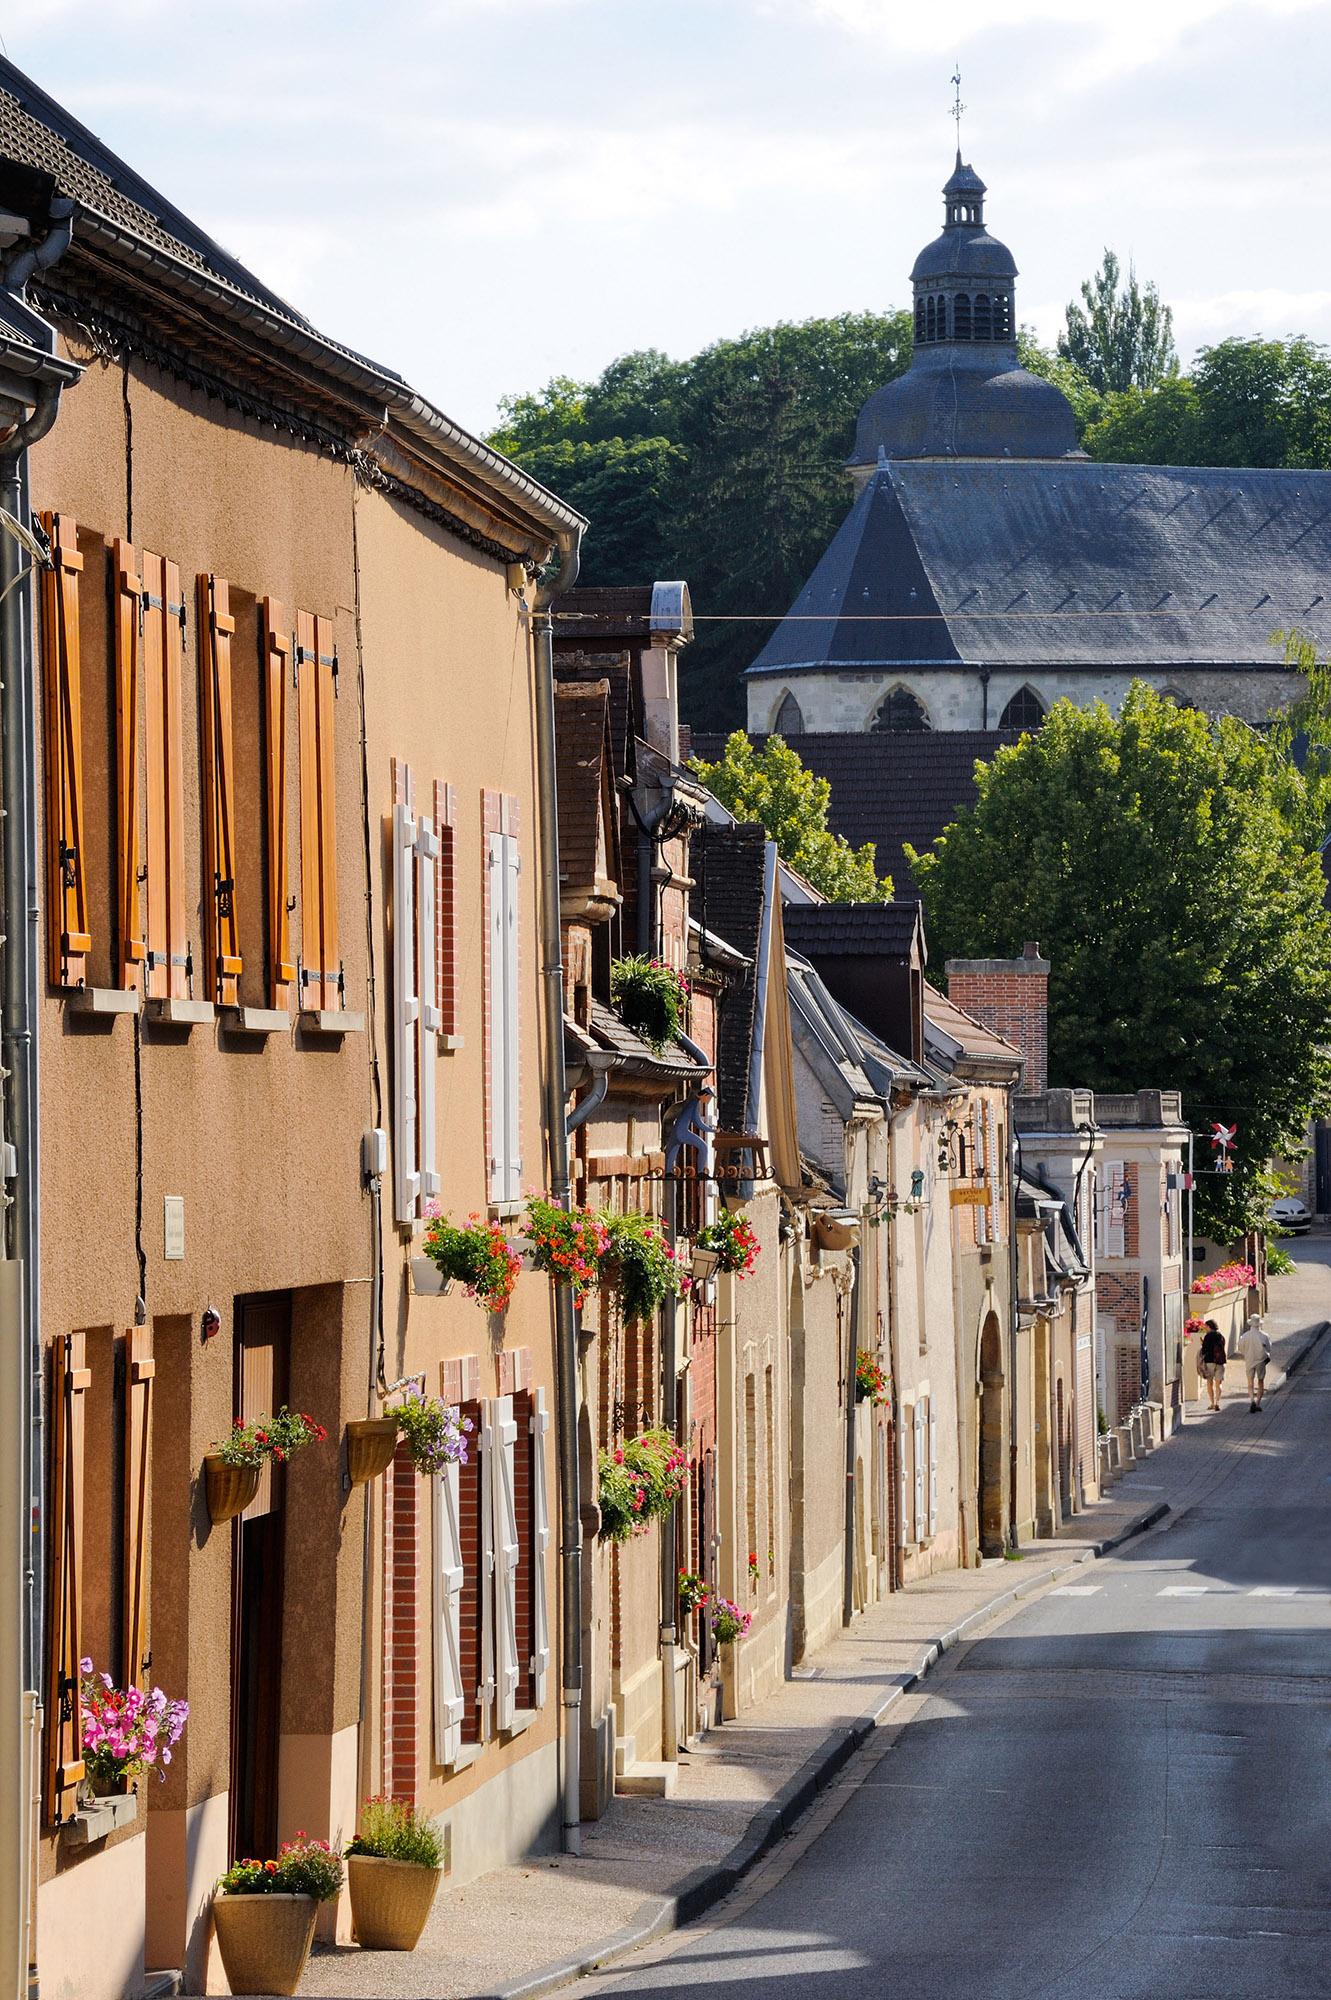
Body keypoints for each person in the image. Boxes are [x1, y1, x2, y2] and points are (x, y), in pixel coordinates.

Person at [1239, 1315, 1273, 1412]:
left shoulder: (1245, 1336)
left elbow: (1241, 1348)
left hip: (1249, 1360)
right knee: (1260, 1381)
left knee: (1250, 1382)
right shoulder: (1264, 1336)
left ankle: (1252, 1400)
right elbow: (1269, 1348)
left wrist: (1246, 1354)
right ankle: (1258, 1403)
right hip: (1261, 1360)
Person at [1198, 1319, 1227, 1410]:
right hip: (1220, 1362)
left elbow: (1205, 1350)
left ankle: (1212, 1403)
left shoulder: (1208, 1336)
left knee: (1209, 1383)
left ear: (1209, 1326)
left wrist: (1202, 1343)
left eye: (1206, 1326)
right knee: (1219, 1383)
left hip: (1209, 1362)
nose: (1205, 1328)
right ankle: (1218, 1402)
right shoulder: (1221, 1336)